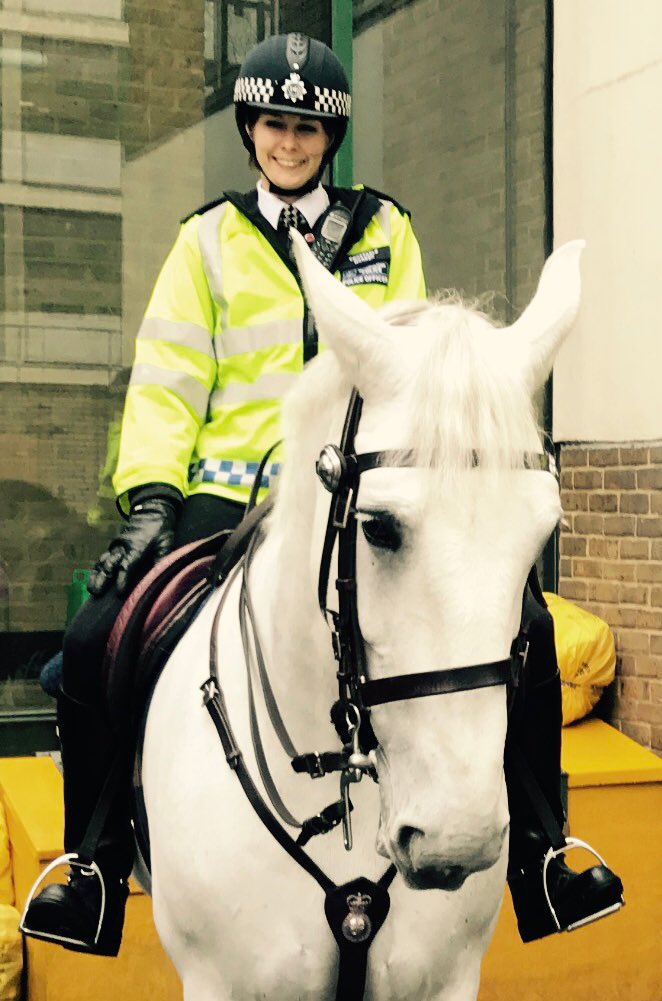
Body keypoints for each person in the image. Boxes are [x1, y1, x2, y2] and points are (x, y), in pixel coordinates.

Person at [22, 32, 622, 958]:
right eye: (273, 124)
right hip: (233, 489)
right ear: (250, 130)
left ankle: (541, 851)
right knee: (97, 632)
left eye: (306, 127)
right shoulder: (205, 240)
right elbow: (170, 377)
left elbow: (424, 367)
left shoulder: (385, 230)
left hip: (363, 489)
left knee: (529, 632)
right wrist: (150, 497)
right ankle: (94, 865)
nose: (289, 143)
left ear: (329, 137)